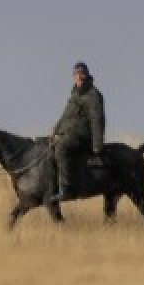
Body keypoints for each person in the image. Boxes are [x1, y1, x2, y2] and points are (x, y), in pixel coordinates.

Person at [48, 61, 105, 202]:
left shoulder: (93, 95)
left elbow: (97, 120)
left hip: (82, 136)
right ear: (73, 77)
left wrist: (97, 145)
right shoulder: (74, 94)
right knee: (42, 144)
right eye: (76, 74)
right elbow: (66, 115)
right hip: (68, 133)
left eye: (82, 74)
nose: (79, 77)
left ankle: (66, 189)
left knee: (61, 148)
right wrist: (55, 128)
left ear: (86, 75)